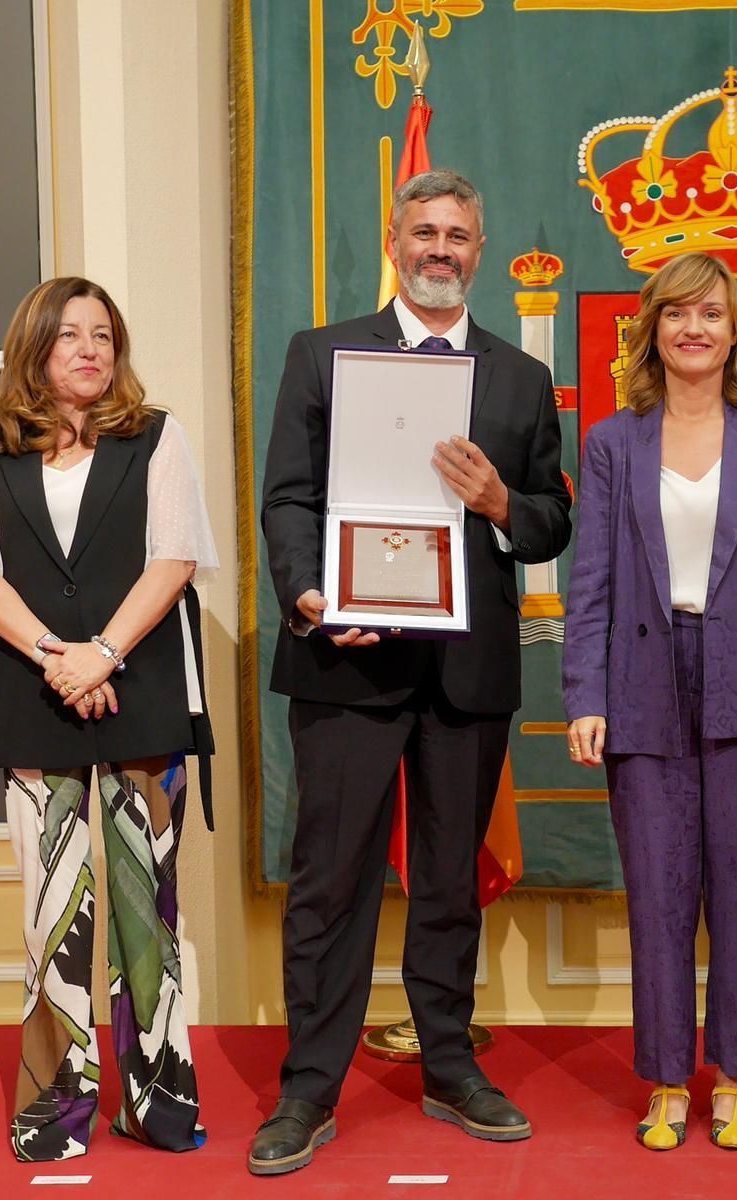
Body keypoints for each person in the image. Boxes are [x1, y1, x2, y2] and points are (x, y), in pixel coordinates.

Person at [253, 169, 572, 1176]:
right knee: (330, 884)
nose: (441, 249)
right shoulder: (322, 354)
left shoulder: (519, 378)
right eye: (424, 232)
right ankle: (309, 1088)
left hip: (467, 674)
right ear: (393, 241)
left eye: (458, 236)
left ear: (480, 250)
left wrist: (497, 505)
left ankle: (447, 1066)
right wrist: (310, 595)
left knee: (447, 885)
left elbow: (553, 517)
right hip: (343, 661)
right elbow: (290, 500)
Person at [0, 276, 217, 1162]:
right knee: (53, 909)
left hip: (144, 690)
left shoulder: (157, 437)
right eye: (69, 336)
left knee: (147, 903)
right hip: (32, 693)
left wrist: (105, 653)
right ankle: (59, 1104)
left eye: (103, 335)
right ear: (36, 350)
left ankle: (156, 1097)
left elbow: (175, 559)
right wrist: (61, 657)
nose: (90, 349)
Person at [562, 252, 737, 1152]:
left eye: (711, 315)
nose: (693, 329)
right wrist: (584, 695)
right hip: (643, 685)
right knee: (658, 894)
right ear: (651, 327)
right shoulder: (611, 442)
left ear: (736, 331)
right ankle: (668, 1080)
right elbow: (591, 584)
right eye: (677, 314)